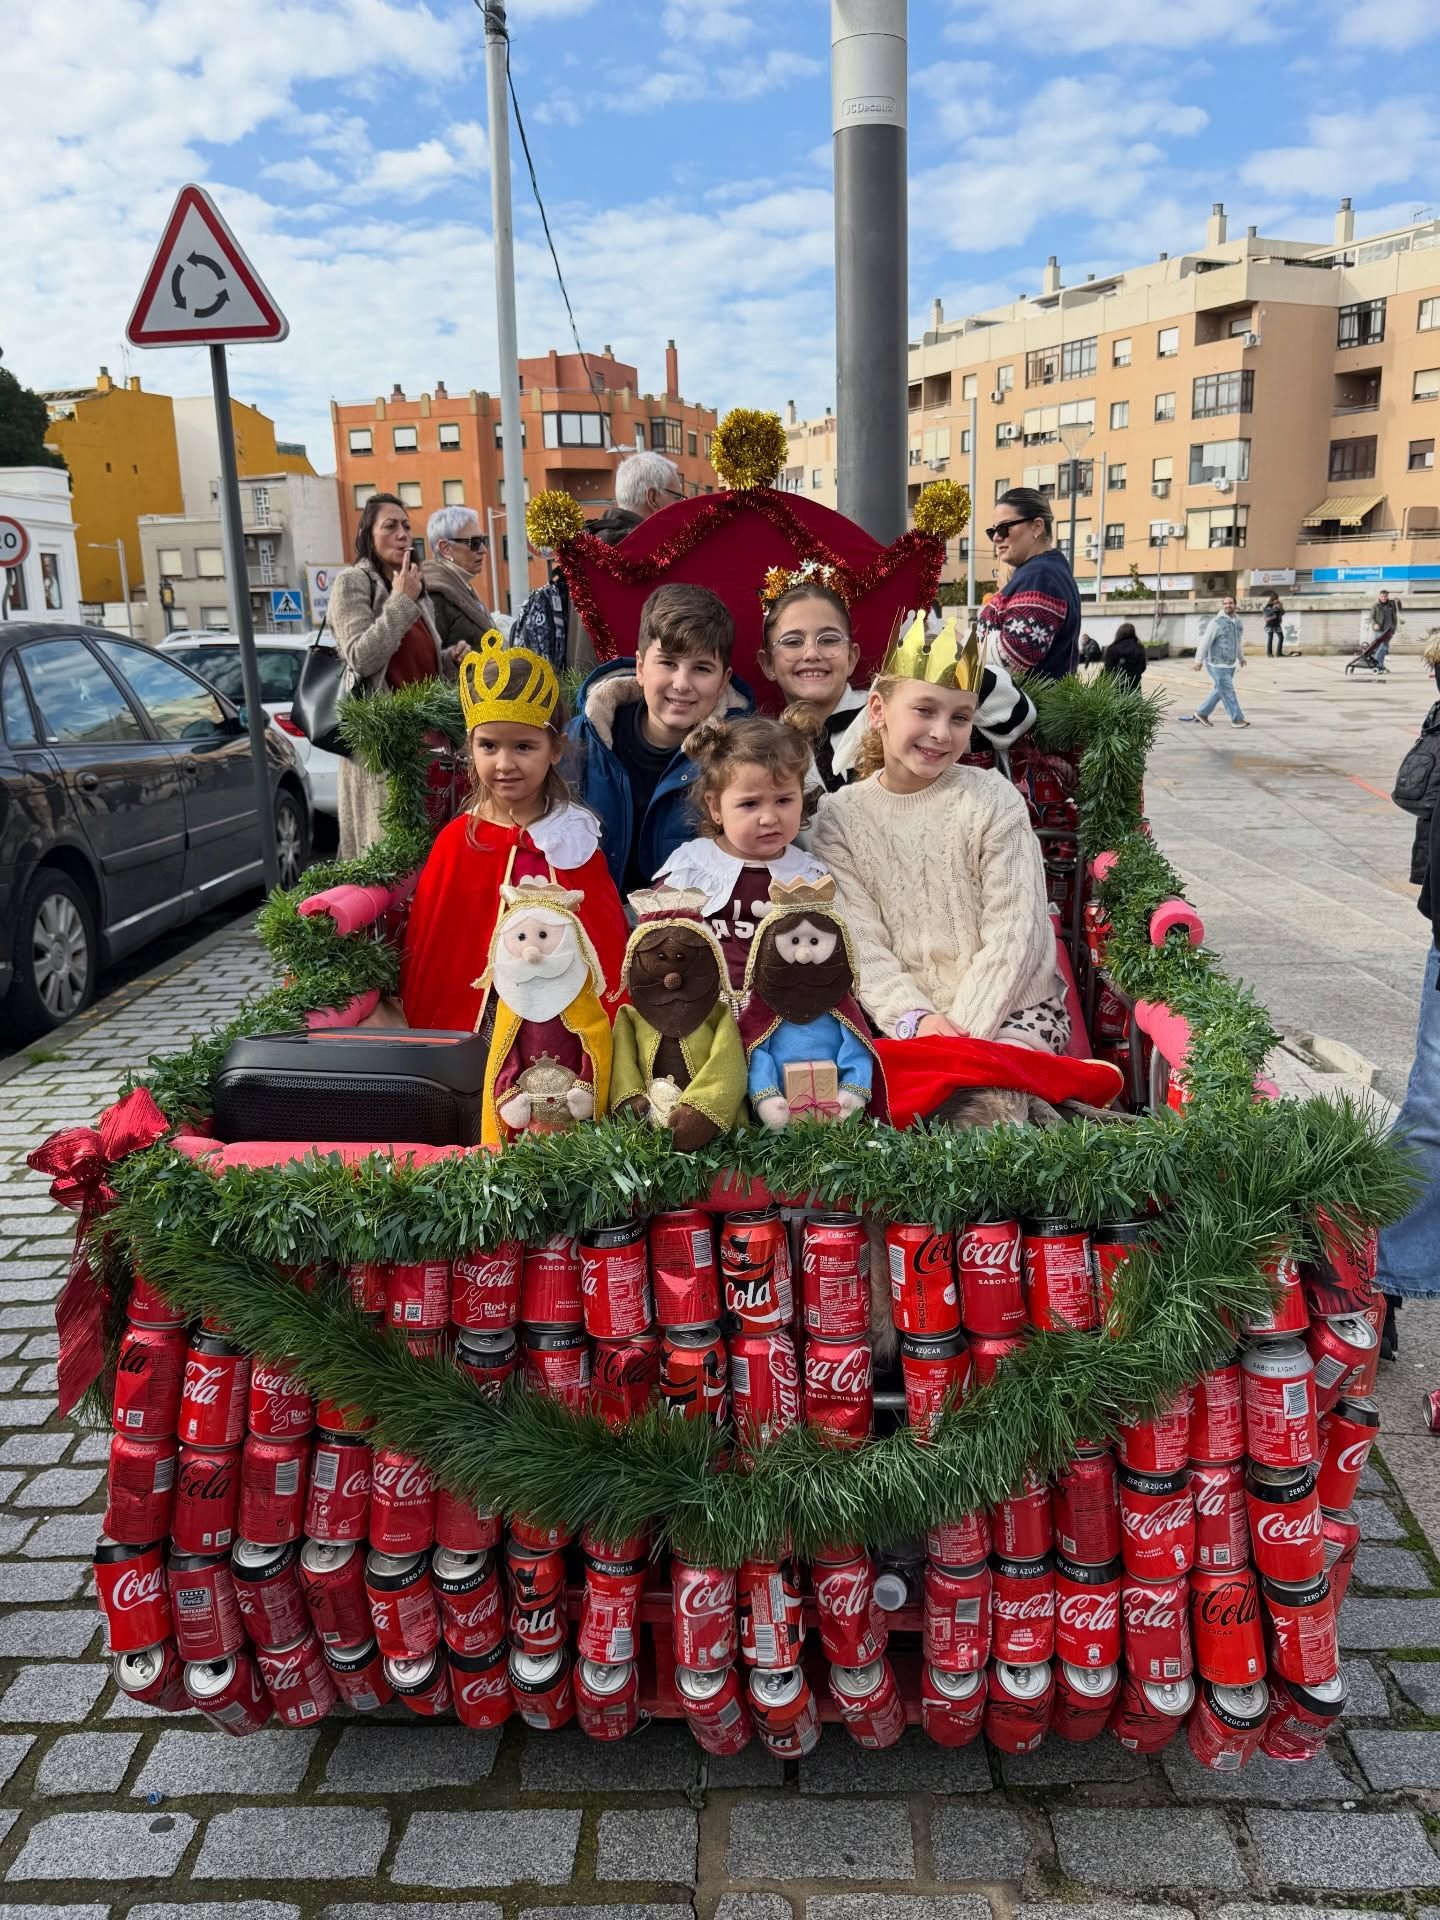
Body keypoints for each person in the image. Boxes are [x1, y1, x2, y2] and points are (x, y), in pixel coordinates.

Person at [810, 624, 1067, 1053]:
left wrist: (959, 1038)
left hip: (1012, 1014)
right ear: (878, 711)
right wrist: (916, 1021)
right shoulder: (839, 818)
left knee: (990, 1107)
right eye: (924, 710)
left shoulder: (991, 797)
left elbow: (1014, 930)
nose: (942, 733)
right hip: (903, 1023)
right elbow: (859, 941)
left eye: (960, 717)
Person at [398, 629, 627, 1035]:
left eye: (524, 746)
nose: (504, 763)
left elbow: (604, 941)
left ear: (555, 749)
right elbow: (436, 954)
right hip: (483, 1025)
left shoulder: (572, 836)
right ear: (470, 749)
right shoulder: (457, 843)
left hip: (565, 1022)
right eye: (488, 746)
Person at [757, 571, 1034, 793]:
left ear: (852, 657)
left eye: (829, 640)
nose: (812, 654)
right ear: (768, 663)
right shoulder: (763, 746)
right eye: (792, 642)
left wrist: (926, 672)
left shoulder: (898, 712)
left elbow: (1014, 714)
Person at [570, 582, 753, 894]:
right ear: (641, 668)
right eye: (668, 663)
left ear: (724, 681)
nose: (681, 684)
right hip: (592, 916)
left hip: (692, 925)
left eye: (701, 668)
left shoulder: (738, 753)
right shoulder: (584, 739)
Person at [655, 715, 826, 989]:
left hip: (785, 1003)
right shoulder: (695, 865)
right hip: (706, 1001)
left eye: (783, 800)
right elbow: (654, 933)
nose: (769, 818)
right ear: (715, 807)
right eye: (750, 804)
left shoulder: (808, 875)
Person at [329, 493, 446, 859]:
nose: (402, 534)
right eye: (390, 526)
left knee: (425, 862)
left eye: (407, 526)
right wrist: (400, 601)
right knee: (386, 861)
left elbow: (417, 663)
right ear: (369, 533)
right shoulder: (354, 582)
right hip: (382, 752)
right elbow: (362, 657)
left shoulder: (412, 586)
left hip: (426, 747)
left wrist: (449, 657)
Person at [563, 450, 686, 675]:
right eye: (677, 498)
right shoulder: (640, 554)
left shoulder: (592, 546)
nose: (681, 507)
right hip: (625, 691)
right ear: (653, 498)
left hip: (592, 689)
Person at [976, 487, 1081, 682]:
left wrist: (963, 644)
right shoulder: (1044, 570)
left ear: (1037, 527)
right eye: (992, 531)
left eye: (1004, 528)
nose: (997, 537)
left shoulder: (1040, 575)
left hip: (1028, 708)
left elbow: (1012, 658)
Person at [422, 507, 494, 662]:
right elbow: (428, 668)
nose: (483, 549)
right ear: (446, 548)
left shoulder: (460, 585)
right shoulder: (434, 596)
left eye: (483, 541)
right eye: (474, 543)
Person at [1180, 595, 1249, 728]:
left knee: (1220, 690)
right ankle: (1237, 719)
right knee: (1228, 691)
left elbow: (1237, 642)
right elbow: (1205, 641)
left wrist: (1241, 657)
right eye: (1225, 603)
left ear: (1235, 605)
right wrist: (1198, 660)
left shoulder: (1237, 622)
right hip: (1217, 664)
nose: (1227, 605)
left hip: (1230, 664)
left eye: (1230, 603)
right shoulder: (1217, 622)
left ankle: (1201, 713)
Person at [1101, 622, 1147, 689]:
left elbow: (1107, 670)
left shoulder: (1112, 648)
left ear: (1119, 633)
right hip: (1134, 686)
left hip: (1116, 686)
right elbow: (1143, 667)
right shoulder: (1139, 647)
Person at [1371, 589, 1400, 673]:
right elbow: (1371, 617)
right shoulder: (1375, 606)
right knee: (1383, 647)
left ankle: (1380, 665)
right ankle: (1377, 664)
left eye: (1385, 596)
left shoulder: (1391, 604)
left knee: (1384, 649)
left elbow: (1399, 609)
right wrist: (1374, 624)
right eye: (1382, 596)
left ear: (1387, 597)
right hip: (1379, 630)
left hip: (1389, 630)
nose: (1384, 598)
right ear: (1379, 597)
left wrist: (1398, 602)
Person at [1263, 593, 1287, 658]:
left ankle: (1279, 653)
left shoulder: (1278, 604)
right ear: (1273, 599)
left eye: (1277, 599)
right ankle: (1269, 653)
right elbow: (1266, 613)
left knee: (1281, 637)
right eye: (1276, 599)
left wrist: (1281, 608)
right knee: (1270, 638)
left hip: (1277, 624)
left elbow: (1283, 613)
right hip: (1270, 624)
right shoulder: (1268, 605)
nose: (1277, 600)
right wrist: (1274, 608)